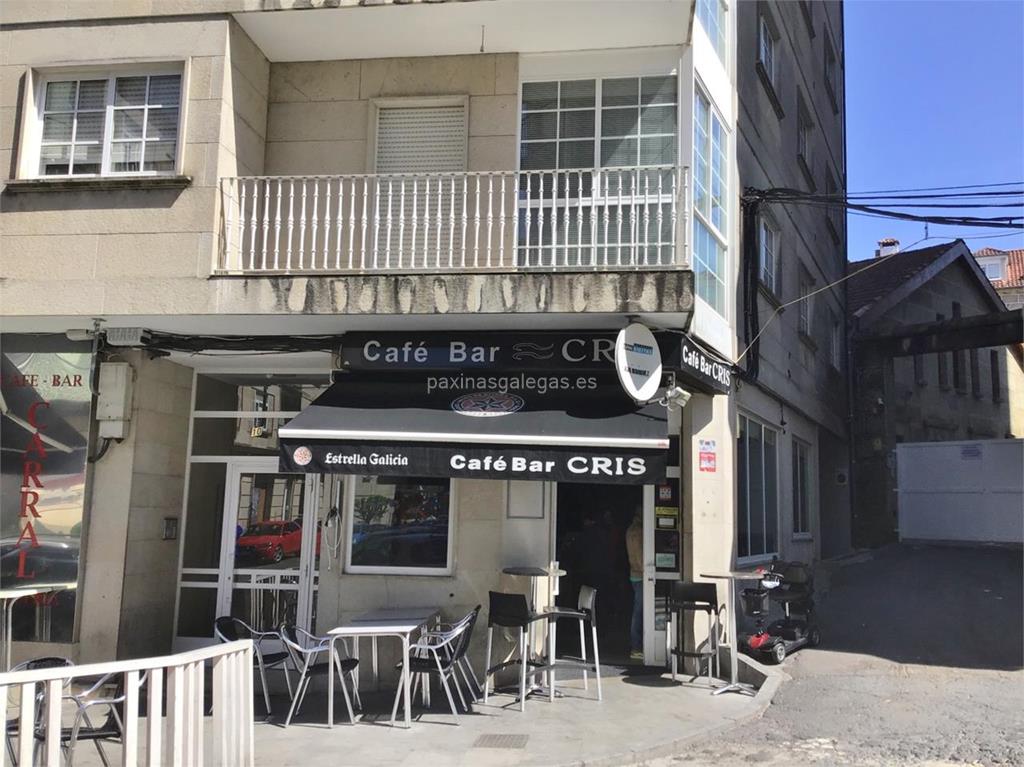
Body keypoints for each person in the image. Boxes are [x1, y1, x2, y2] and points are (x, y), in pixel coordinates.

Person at [625, 509, 644, 661]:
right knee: (638, 612)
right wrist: (646, 571)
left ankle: (637, 646)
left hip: (635, 574)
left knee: (638, 611)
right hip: (640, 575)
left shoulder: (631, 530)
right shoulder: (638, 531)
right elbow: (639, 556)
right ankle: (636, 647)